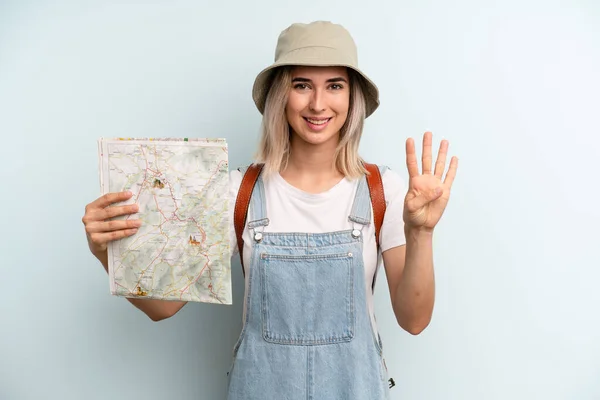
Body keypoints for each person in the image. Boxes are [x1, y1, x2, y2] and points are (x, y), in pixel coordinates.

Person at [82, 20, 458, 400]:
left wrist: (420, 232)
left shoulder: (383, 192)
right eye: (301, 85)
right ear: (281, 95)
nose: (317, 103)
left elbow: (414, 320)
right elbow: (162, 307)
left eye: (334, 85)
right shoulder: (238, 193)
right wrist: (109, 253)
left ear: (352, 97)